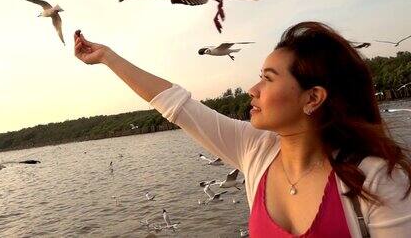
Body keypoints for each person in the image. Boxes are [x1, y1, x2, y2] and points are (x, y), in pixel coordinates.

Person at [73, 22, 411, 237]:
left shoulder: (377, 180)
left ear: (313, 97)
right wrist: (108, 57)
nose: (253, 88)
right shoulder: (255, 150)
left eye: (267, 78)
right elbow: (177, 106)